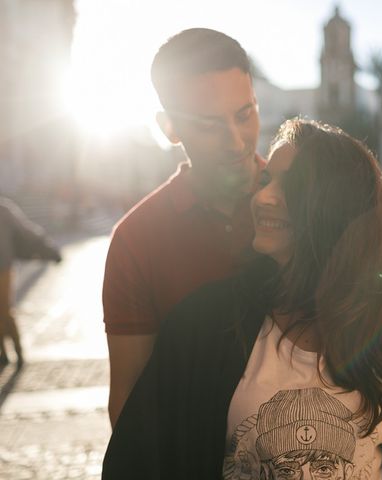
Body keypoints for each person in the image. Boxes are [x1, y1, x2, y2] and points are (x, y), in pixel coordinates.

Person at [102, 119, 382, 479]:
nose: (264, 196)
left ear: (335, 210)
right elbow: (140, 456)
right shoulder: (204, 324)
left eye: (291, 187)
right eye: (266, 180)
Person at [101, 28, 263, 427]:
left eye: (245, 114)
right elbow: (128, 395)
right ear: (169, 127)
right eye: (209, 126)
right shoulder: (135, 240)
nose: (236, 141)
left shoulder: (307, 202)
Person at [0, 197, 62, 367]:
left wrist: (49, 249)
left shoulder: (3, 209)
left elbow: (27, 231)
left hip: (2, 269)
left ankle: (17, 353)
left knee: (4, 311)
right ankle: (3, 353)